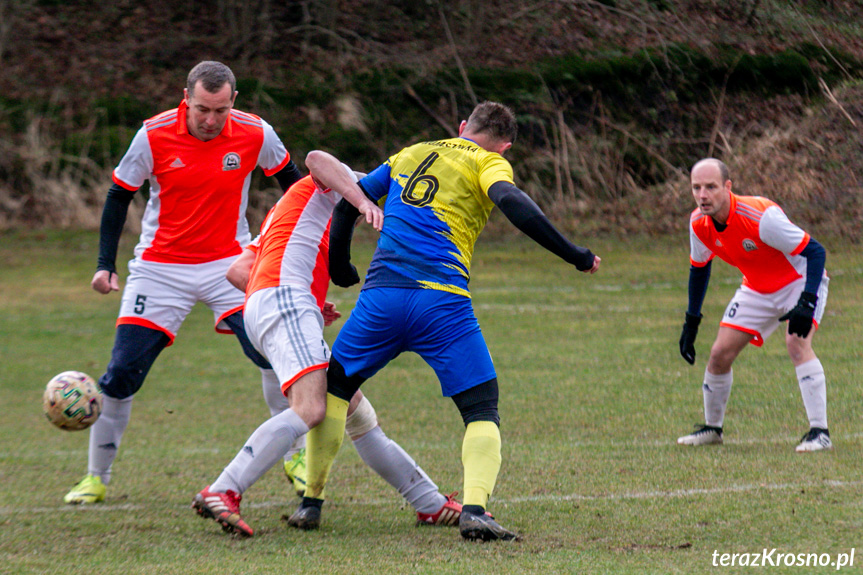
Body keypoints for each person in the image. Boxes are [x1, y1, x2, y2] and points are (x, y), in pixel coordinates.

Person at [287, 101, 601, 542]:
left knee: (336, 389)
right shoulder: (489, 163)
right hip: (441, 304)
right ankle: (474, 510)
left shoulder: (409, 153)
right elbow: (512, 201)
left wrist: (341, 267)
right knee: (481, 407)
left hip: (380, 299)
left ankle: (310, 503)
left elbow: (347, 204)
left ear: (460, 127)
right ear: (505, 147)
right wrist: (576, 255)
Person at [64, 61, 308, 504]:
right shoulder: (153, 135)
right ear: (186, 98)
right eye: (201, 109)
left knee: (270, 353)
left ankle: (295, 454)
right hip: (160, 269)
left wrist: (289, 251)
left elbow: (297, 188)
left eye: (220, 110)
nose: (211, 120)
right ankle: (95, 477)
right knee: (121, 373)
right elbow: (120, 193)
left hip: (230, 264)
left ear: (233, 100)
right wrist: (106, 264)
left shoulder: (256, 133)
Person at [192, 156, 476, 536]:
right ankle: (225, 489)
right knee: (310, 409)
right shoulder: (340, 183)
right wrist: (361, 200)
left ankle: (430, 504)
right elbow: (316, 159)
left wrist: (308, 301)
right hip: (285, 302)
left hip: (274, 304)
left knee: (356, 413)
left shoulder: (288, 211)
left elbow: (237, 271)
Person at [677, 158, 831, 452]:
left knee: (796, 344)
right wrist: (691, 322)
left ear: (727, 186)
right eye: (696, 188)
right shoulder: (698, 222)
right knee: (719, 353)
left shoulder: (761, 217)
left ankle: (820, 432)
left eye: (710, 187)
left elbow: (815, 251)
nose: (703, 195)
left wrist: (807, 300)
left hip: (799, 281)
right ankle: (713, 429)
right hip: (756, 288)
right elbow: (699, 268)